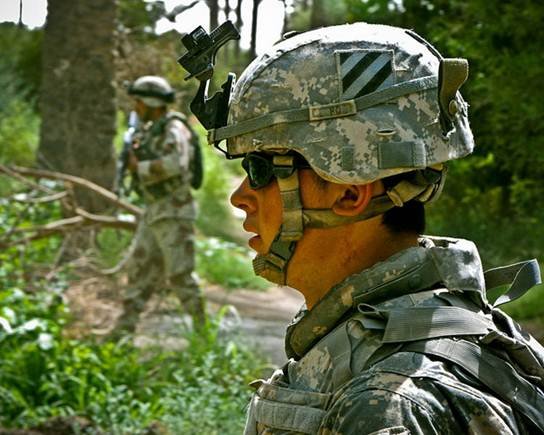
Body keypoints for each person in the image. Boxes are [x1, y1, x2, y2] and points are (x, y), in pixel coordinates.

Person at [188, 23, 544, 433]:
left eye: (260, 169)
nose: (240, 197)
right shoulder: (445, 324)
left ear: (350, 191)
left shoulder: (385, 405)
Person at [111, 75, 205, 336]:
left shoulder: (174, 128)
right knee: (139, 270)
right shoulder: (151, 129)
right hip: (154, 211)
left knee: (180, 275)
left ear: (151, 103)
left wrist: (139, 167)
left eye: (139, 102)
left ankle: (203, 333)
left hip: (174, 213)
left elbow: (176, 163)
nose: (136, 107)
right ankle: (123, 330)